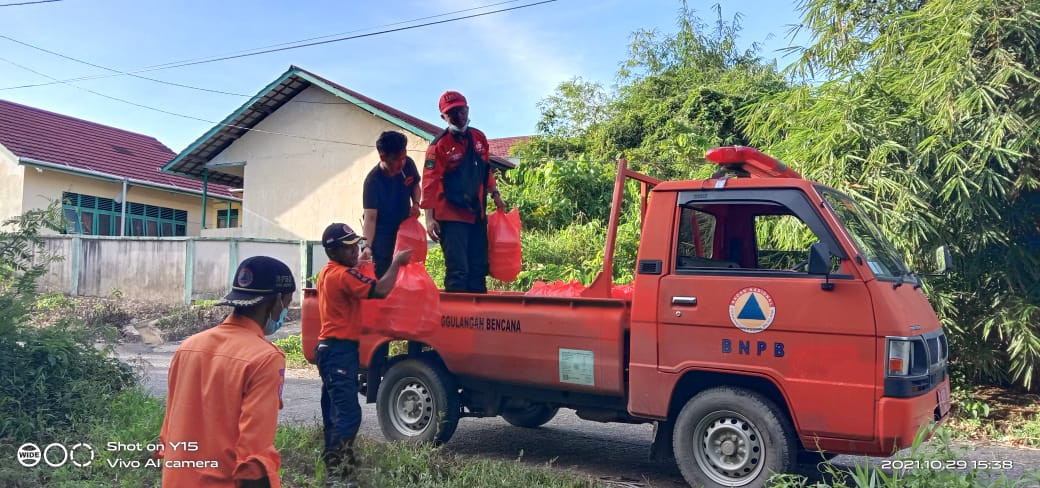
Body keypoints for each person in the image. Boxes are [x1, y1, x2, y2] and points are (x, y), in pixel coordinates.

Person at [159, 255, 296, 488]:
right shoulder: (265, 359)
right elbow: (254, 462)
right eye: (288, 304)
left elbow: (168, 434)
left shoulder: (188, 346)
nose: (285, 312)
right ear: (276, 303)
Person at [316, 223, 412, 487]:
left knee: (334, 413)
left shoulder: (328, 272)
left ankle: (338, 470)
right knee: (349, 415)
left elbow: (352, 280)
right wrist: (397, 263)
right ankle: (337, 475)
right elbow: (380, 290)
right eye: (349, 247)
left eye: (356, 245)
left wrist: (358, 266)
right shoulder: (342, 276)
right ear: (333, 251)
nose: (356, 250)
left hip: (329, 349)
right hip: (339, 351)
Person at [421, 90, 506, 292]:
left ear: (467, 109)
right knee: (458, 270)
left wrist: (495, 194)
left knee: (478, 269)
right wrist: (429, 218)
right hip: (450, 217)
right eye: (452, 113)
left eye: (461, 111)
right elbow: (429, 182)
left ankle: (480, 316)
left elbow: (486, 170)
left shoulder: (478, 137)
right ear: (443, 117)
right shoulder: (439, 146)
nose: (459, 116)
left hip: (476, 213)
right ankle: (456, 319)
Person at [362, 130, 421, 277]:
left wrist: (415, 204)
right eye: (396, 159)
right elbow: (370, 219)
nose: (401, 163)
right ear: (383, 157)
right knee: (385, 272)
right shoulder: (372, 182)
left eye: (403, 157)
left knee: (408, 271)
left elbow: (415, 186)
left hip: (406, 229)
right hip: (383, 234)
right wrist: (367, 246)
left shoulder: (408, 164)